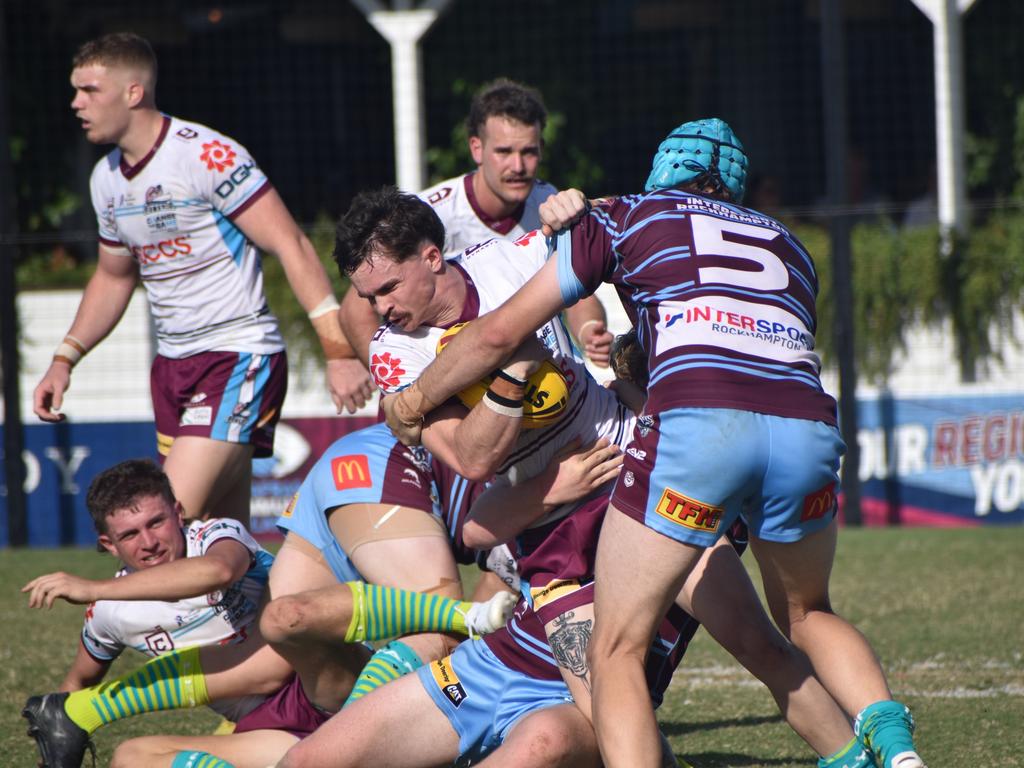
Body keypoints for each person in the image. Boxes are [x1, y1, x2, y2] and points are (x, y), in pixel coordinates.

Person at [380, 118, 927, 768]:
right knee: (805, 615)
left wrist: (411, 402)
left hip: (697, 437)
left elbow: (500, 336)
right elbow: (723, 329)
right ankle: (892, 751)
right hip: (806, 427)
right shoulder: (791, 246)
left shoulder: (628, 215)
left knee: (615, 650)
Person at [31, 32, 373, 526]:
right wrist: (65, 359)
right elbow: (112, 277)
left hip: (236, 355)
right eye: (75, 90)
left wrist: (338, 351)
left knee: (164, 524)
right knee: (217, 546)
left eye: (88, 90)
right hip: (172, 369)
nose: (76, 103)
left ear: (133, 92)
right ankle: (290, 604)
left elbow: (290, 243)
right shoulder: (105, 178)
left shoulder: (206, 155)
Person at [21, 455, 512, 768]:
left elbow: (216, 573)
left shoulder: (216, 535)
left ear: (180, 513)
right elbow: (75, 683)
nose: (150, 542)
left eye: (157, 522)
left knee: (281, 626)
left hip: (320, 679)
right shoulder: (109, 613)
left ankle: (464, 619)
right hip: (266, 729)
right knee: (132, 757)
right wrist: (64, 727)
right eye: (130, 535)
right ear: (108, 543)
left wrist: (91, 587)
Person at [334, 78, 613, 399]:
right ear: (476, 149)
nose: (518, 166)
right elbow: (357, 309)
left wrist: (589, 330)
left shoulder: (546, 199)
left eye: (529, 152)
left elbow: (571, 282)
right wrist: (397, 389)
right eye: (504, 152)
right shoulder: (430, 214)